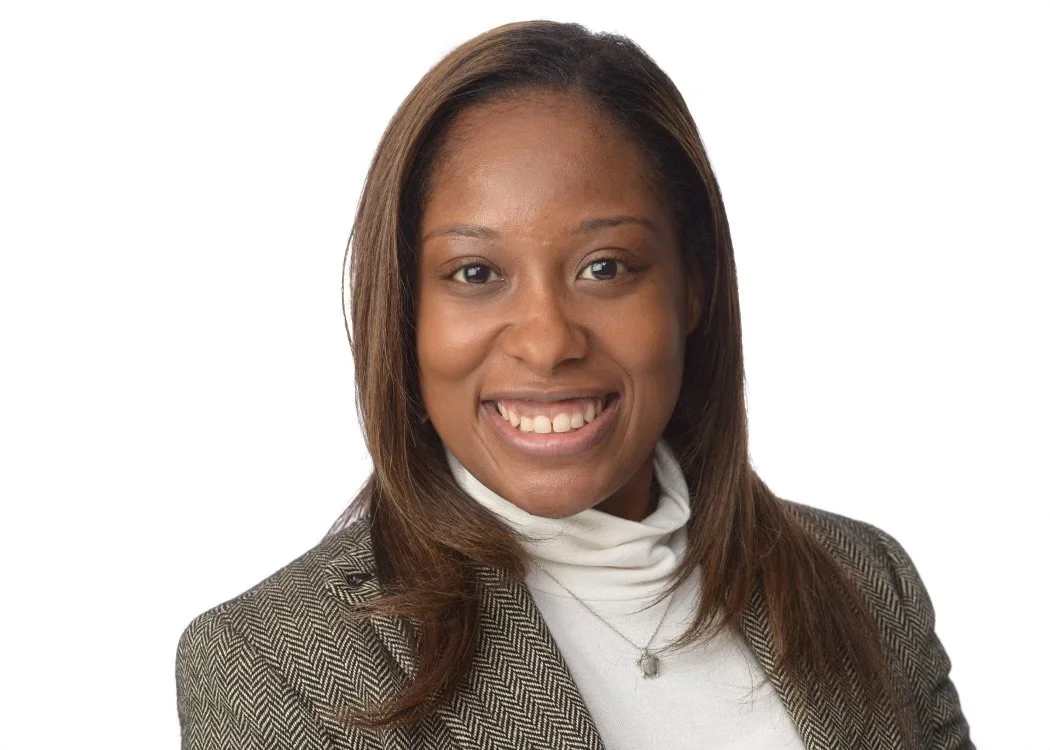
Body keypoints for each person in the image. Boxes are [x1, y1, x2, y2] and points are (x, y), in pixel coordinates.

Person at [175, 19, 973, 750]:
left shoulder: (866, 582)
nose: (548, 340)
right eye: (476, 272)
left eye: (606, 268)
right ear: (404, 310)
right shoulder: (276, 667)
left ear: (691, 286)